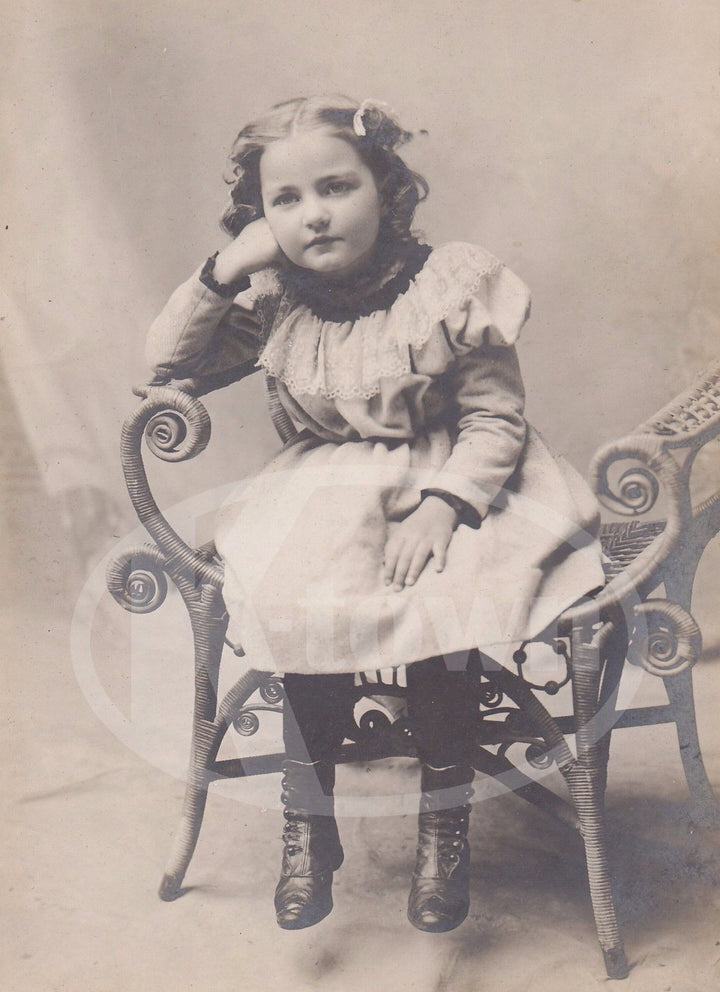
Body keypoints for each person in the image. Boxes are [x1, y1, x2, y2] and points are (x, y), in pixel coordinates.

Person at [146, 95, 605, 934]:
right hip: (325, 490)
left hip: (452, 475)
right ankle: (310, 824)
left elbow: (496, 418)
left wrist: (443, 508)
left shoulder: (449, 283)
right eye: (285, 201)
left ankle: (443, 827)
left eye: (336, 187)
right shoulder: (277, 296)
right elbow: (169, 362)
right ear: (261, 217)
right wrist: (224, 269)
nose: (314, 215)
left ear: (384, 189)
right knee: (297, 600)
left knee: (438, 603)